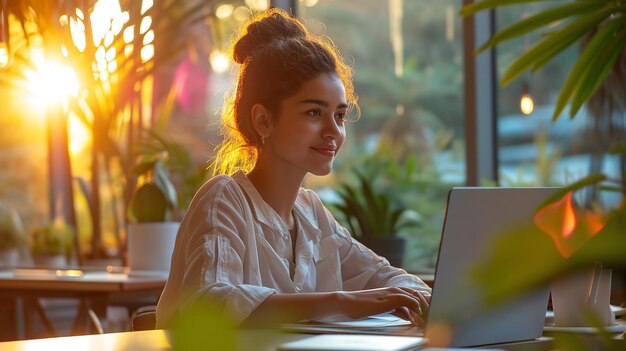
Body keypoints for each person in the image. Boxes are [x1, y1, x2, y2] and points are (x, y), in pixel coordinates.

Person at [156, 8, 431, 329]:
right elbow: (209, 302)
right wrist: (343, 301)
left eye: (339, 116)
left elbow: (389, 279)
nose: (333, 130)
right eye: (314, 112)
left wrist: (416, 296)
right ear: (263, 120)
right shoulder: (224, 199)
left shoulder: (311, 213)